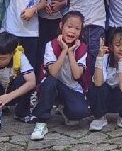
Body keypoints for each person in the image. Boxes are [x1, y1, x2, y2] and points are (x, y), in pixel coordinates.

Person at [31, 11, 90, 139]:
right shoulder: (51, 45)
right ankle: (41, 122)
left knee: (80, 112)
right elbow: (53, 72)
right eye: (69, 26)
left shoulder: (82, 48)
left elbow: (77, 75)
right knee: (50, 82)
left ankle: (63, 107)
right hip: (53, 84)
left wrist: (70, 52)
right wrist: (64, 51)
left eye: (77, 28)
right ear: (61, 26)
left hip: (71, 87)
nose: (72, 31)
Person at [88, 27, 122, 131]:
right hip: (105, 98)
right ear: (111, 46)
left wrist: (121, 63)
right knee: (95, 87)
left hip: (120, 97)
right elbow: (98, 82)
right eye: (118, 45)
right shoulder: (105, 59)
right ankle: (99, 117)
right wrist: (99, 57)